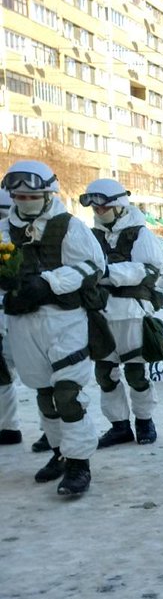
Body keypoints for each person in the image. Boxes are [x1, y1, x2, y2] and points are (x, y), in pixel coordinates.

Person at [1, 160, 106, 496]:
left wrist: (49, 283)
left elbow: (93, 266)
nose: (25, 201)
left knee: (68, 394)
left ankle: (79, 463)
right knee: (45, 395)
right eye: (19, 196)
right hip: (23, 323)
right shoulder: (4, 229)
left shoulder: (69, 226)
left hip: (64, 320)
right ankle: (60, 452)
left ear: (49, 194)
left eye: (32, 196)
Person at [81, 179, 163, 448]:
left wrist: (108, 273)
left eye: (104, 207)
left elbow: (149, 270)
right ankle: (119, 426)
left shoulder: (139, 234)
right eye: (95, 207)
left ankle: (144, 421)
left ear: (119, 206)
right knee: (105, 374)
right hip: (100, 314)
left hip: (132, 312)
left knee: (135, 372)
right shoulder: (90, 235)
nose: (99, 211)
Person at [0, 187, 22, 446]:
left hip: (22, 314)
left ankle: (50, 431)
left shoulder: (26, 236)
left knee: (41, 375)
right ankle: (8, 427)